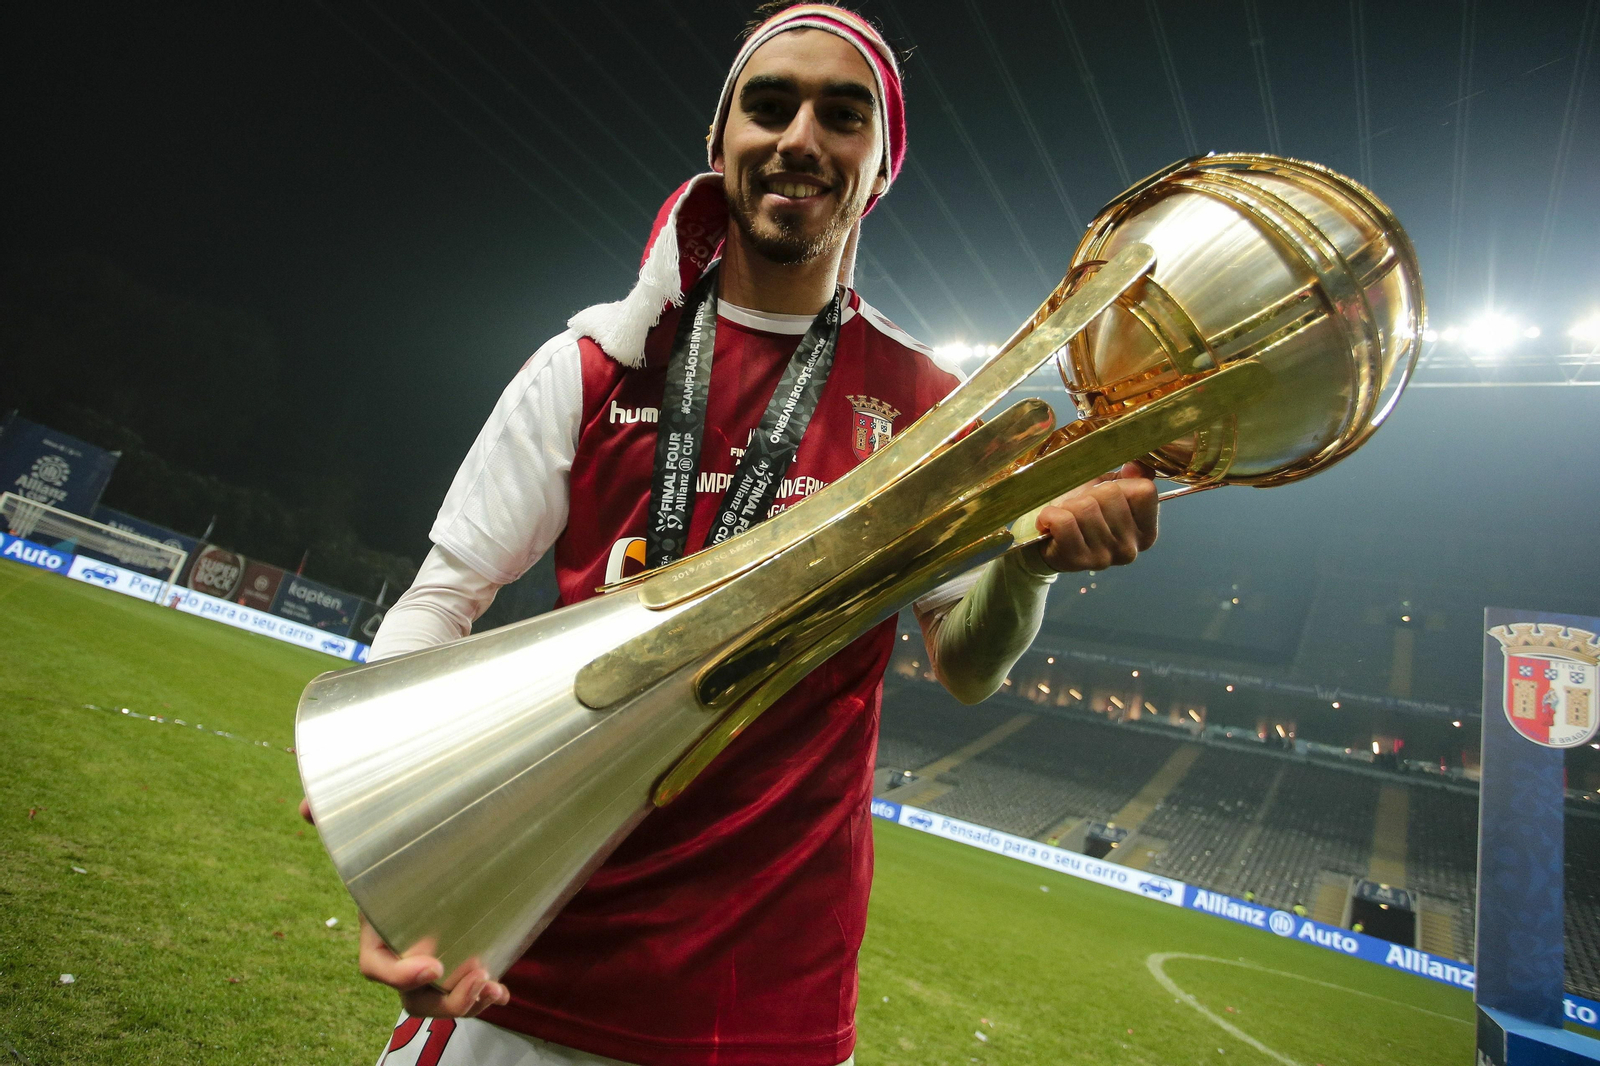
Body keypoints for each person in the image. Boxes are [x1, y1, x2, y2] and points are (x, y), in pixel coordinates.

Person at [350, 5, 1159, 1064]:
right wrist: (396, 839)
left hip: (772, 1003)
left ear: (877, 169)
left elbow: (964, 662)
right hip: (530, 966)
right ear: (718, 140)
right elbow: (445, 594)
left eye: (842, 114)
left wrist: (1029, 564)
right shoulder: (596, 362)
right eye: (768, 106)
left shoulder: (924, 407)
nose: (799, 139)